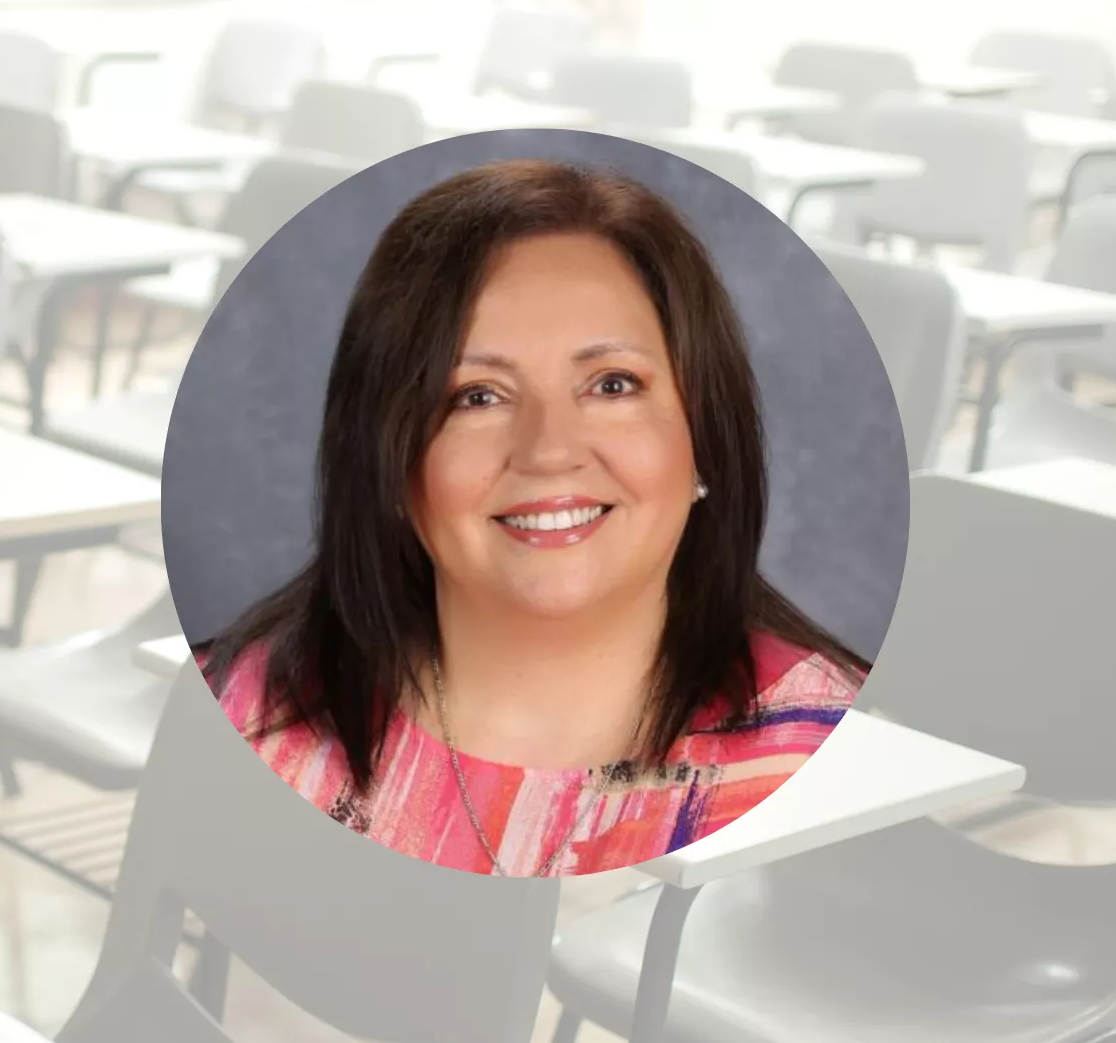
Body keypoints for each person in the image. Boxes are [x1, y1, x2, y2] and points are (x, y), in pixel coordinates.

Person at [200, 158, 868, 878]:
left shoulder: (835, 778)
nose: (549, 452)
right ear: (387, 458)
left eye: (612, 385)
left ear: (704, 435)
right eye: (477, 396)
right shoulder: (245, 714)